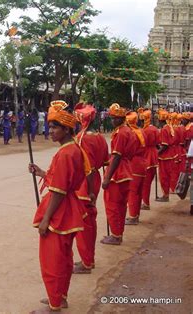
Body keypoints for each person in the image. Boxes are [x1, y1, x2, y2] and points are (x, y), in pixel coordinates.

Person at [29, 100, 90, 311]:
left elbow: (59, 190)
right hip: (68, 207)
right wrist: (41, 173)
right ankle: (59, 296)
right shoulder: (72, 148)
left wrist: (46, 219)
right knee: (63, 258)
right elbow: (60, 180)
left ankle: (55, 304)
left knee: (53, 260)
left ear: (66, 129)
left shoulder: (66, 153)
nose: (51, 131)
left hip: (59, 212)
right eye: (50, 126)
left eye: (55, 127)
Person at [72, 103, 109, 274]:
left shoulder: (82, 138)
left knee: (84, 223)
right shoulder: (100, 137)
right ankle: (89, 258)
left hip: (85, 182)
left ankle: (87, 261)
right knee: (90, 221)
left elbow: (84, 165)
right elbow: (104, 160)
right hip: (94, 178)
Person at [101, 103, 136, 245]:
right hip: (126, 170)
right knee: (121, 205)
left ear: (121, 119)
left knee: (113, 205)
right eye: (112, 118)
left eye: (115, 118)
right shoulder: (128, 130)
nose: (112, 120)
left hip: (118, 173)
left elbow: (117, 156)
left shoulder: (121, 132)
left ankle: (115, 235)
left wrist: (107, 177)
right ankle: (118, 234)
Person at [125, 111, 146, 226]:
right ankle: (136, 215)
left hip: (133, 164)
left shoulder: (131, 133)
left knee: (132, 192)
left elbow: (128, 151)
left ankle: (133, 217)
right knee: (138, 192)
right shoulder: (141, 131)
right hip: (143, 162)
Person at [139, 109, 160, 210]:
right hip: (154, 155)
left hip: (147, 155)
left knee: (145, 183)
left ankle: (146, 203)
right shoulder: (155, 129)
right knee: (148, 181)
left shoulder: (144, 131)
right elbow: (158, 143)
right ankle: (145, 201)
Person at [157, 109, 177, 202]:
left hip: (165, 156)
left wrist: (157, 152)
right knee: (168, 175)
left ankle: (165, 195)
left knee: (164, 176)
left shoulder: (164, 129)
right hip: (170, 155)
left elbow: (165, 145)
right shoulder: (169, 127)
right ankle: (166, 194)